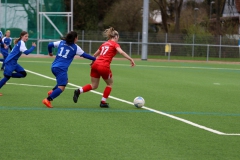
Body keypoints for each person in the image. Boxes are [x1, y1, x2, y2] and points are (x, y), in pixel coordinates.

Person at [73, 27, 135, 108]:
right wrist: (130, 59)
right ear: (115, 36)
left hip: (96, 64)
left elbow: (95, 55)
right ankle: (103, 102)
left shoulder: (104, 44)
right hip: (104, 66)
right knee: (110, 83)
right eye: (118, 37)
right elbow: (121, 52)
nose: (118, 39)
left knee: (94, 85)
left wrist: (92, 62)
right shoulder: (115, 44)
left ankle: (78, 91)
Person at [42, 31, 96, 108]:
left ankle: (52, 92)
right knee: (61, 87)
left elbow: (50, 45)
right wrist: (95, 59)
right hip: (61, 69)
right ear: (75, 38)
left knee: (65, 81)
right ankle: (48, 99)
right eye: (77, 37)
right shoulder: (75, 47)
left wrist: (50, 52)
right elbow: (85, 55)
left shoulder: (61, 42)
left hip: (54, 66)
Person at [0, 31, 36, 96]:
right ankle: (6, 76)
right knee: (7, 77)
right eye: (25, 36)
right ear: (22, 36)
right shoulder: (21, 42)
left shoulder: (21, 42)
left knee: (23, 73)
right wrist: (33, 47)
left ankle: (8, 75)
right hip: (10, 61)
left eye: (27, 36)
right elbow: (26, 52)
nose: (27, 38)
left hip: (14, 62)